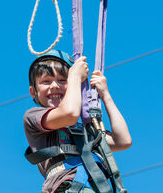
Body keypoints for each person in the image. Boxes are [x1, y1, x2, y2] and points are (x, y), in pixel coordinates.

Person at [23, 50, 132, 193]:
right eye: (46, 81)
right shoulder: (33, 117)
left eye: (62, 80)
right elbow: (69, 114)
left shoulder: (84, 132)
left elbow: (122, 141)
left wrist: (105, 95)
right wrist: (74, 76)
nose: (54, 85)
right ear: (33, 92)